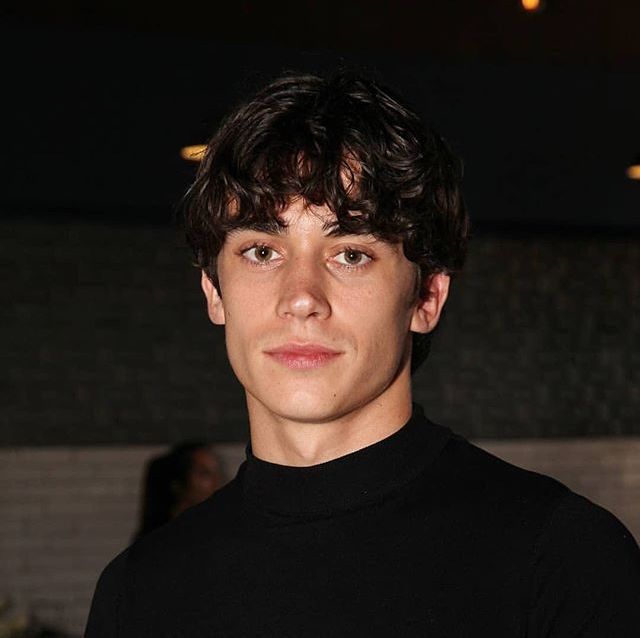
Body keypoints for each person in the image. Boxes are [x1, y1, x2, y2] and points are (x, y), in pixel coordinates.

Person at [85, 71, 640, 637]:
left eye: (350, 253)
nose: (301, 298)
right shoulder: (139, 592)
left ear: (426, 296)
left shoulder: (560, 560)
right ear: (213, 291)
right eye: (261, 250)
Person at [134, 442, 222, 539]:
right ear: (177, 484)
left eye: (217, 473)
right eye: (204, 474)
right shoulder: (160, 539)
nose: (217, 482)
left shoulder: (214, 530)